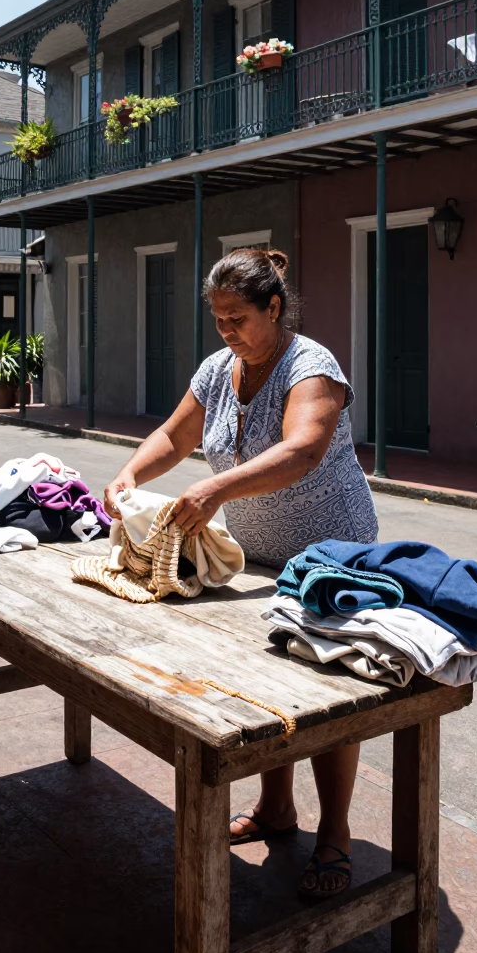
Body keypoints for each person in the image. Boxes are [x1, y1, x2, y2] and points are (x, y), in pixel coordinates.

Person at [104, 247, 377, 897]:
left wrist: (215, 491)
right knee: (268, 690)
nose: (227, 331)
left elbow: (303, 450)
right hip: (257, 562)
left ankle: (334, 833)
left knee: (329, 696)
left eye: (238, 318)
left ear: (273, 308)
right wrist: (130, 474)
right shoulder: (216, 371)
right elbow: (174, 436)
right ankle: (276, 808)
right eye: (218, 319)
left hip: (330, 558)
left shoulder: (312, 366)